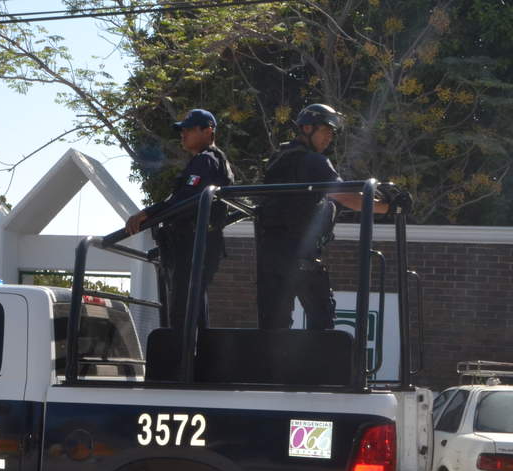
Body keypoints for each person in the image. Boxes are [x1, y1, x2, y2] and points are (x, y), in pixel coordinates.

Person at [255, 103, 389, 330]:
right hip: (299, 256)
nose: (330, 137)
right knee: (322, 324)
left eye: (332, 133)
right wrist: (386, 207)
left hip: (270, 256)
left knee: (274, 329)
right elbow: (348, 197)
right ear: (307, 128)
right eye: (326, 130)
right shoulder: (313, 161)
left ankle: (274, 366)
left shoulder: (279, 158)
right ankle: (318, 366)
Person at [125, 108, 234, 333]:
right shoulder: (207, 160)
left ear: (209, 131)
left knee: (182, 313)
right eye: (181, 130)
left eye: (189, 130)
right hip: (197, 244)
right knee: (192, 308)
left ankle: (182, 364)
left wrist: (148, 213)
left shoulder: (206, 160)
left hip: (194, 244)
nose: (183, 135)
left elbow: (185, 200)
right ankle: (195, 362)